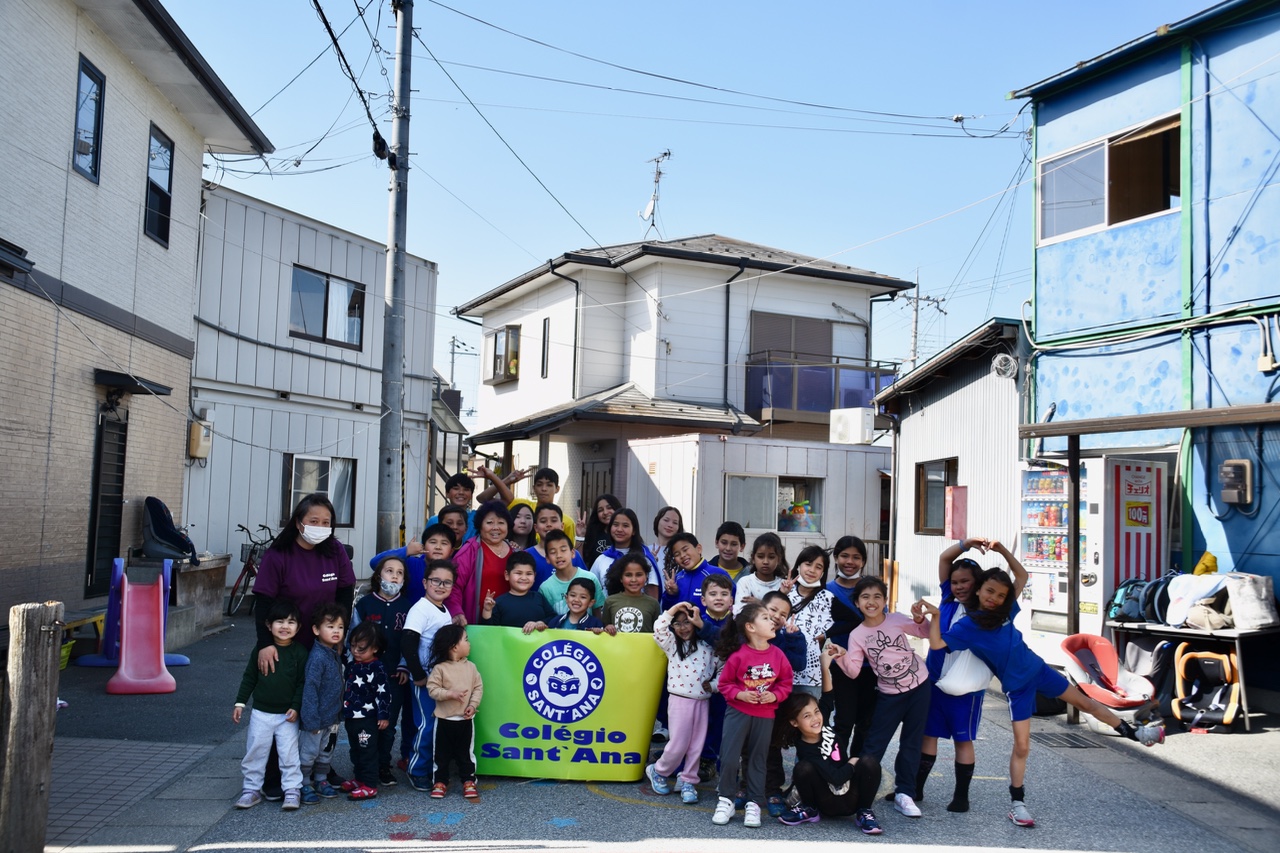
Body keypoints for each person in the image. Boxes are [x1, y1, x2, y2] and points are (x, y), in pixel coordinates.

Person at [919, 567, 1165, 829]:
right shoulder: (968, 625)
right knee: (1022, 746)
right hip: (1017, 689)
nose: (994, 598)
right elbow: (937, 645)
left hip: (1040, 671)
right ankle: (1018, 805)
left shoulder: (1005, 611)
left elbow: (1021, 576)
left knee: (1087, 703)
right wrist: (936, 616)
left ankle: (1136, 734)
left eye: (1001, 595)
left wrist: (1001, 549)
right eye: (989, 591)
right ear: (978, 590)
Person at [251, 493, 355, 800]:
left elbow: (345, 592)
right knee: (285, 710)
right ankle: (275, 774)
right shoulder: (279, 554)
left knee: (325, 707)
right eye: (314, 521)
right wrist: (265, 644)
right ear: (299, 522)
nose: (320, 527)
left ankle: (321, 767)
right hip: (287, 645)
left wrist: (339, 636)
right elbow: (263, 602)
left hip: (324, 646)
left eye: (326, 522)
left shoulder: (334, 550)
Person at [919, 538, 1009, 812]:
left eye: (965, 582)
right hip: (934, 680)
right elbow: (944, 559)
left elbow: (1017, 583)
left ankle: (961, 796)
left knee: (963, 739)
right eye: (955, 582)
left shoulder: (985, 611)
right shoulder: (948, 599)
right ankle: (915, 789)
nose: (958, 586)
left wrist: (1002, 551)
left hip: (966, 689)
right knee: (928, 734)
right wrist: (966, 543)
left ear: (978, 584)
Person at [835, 576, 931, 819]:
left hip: (919, 686)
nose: (872, 601)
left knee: (912, 741)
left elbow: (925, 632)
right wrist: (839, 655)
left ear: (885, 600)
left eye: (877, 596)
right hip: (889, 695)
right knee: (874, 744)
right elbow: (853, 671)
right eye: (865, 597)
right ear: (857, 602)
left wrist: (920, 619)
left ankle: (905, 793)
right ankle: (858, 789)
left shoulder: (896, 619)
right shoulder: (857, 634)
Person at [711, 603, 793, 828]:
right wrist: (740, 694)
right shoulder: (739, 655)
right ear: (750, 627)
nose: (772, 621)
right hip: (738, 712)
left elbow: (786, 682)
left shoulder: (778, 655)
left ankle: (754, 803)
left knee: (758, 759)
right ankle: (726, 800)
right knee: (729, 757)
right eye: (765, 617)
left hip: (765, 714)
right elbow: (725, 684)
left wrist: (774, 696)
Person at [772, 689, 883, 834]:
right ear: (794, 722)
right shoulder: (806, 749)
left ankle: (865, 811)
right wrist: (852, 762)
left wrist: (825, 673)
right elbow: (837, 778)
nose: (815, 718)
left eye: (816, 711)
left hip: (851, 798)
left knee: (870, 761)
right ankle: (810, 809)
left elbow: (828, 695)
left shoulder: (821, 723)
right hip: (827, 801)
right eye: (807, 716)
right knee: (802, 768)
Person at [233, 601, 307, 811]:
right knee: (255, 751)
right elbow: (249, 677)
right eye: (279, 621)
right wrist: (240, 703)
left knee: (289, 753)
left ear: (299, 627)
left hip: (287, 716)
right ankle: (251, 789)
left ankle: (292, 789)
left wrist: (296, 706)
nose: (285, 626)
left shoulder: (300, 652)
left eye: (291, 622)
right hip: (261, 713)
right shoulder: (261, 650)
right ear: (268, 625)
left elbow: (302, 683)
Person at [350, 555, 414, 787]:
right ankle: (362, 766)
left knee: (387, 724)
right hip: (365, 678)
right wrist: (354, 665)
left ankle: (383, 765)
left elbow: (410, 640)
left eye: (399, 573)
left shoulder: (408, 607)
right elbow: (352, 636)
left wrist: (404, 665)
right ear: (378, 576)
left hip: (394, 677)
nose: (394, 576)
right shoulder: (365, 604)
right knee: (364, 723)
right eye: (389, 571)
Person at [646, 602, 719, 804]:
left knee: (696, 746)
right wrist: (673, 608)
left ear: (696, 622)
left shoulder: (708, 646)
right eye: (677, 624)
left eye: (687, 622)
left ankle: (687, 780)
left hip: (702, 702)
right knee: (678, 744)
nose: (683, 628)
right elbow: (659, 628)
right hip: (679, 700)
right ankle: (658, 770)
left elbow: (723, 666)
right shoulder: (671, 644)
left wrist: (714, 685)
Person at [401, 560, 458, 792]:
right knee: (426, 724)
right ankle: (416, 770)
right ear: (425, 582)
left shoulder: (442, 609)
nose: (441, 586)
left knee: (436, 725)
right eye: (436, 581)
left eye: (447, 582)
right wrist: (418, 675)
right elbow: (408, 642)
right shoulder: (421, 609)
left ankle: (431, 768)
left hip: (438, 680)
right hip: (424, 679)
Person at [823, 535, 877, 760]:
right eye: (844, 556)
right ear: (836, 558)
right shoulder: (826, 590)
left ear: (863, 561)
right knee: (843, 721)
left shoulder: (872, 588)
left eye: (856, 557)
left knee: (866, 722)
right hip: (840, 666)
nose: (850, 561)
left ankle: (858, 767)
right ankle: (837, 766)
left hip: (871, 666)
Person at [425, 624, 484, 800]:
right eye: (466, 639)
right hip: (444, 720)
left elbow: (478, 688)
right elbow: (432, 689)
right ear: (454, 647)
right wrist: (449, 694)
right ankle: (440, 781)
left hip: (465, 721)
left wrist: (472, 705)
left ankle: (469, 781)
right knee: (440, 755)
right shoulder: (440, 668)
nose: (469, 643)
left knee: (466, 754)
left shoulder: (471, 667)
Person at [298, 603, 346, 804]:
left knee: (326, 752)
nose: (336, 631)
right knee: (308, 753)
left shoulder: (334, 653)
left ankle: (321, 779)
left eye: (340, 627)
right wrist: (311, 720)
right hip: (316, 720)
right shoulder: (318, 657)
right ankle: (303, 783)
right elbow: (310, 689)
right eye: (330, 626)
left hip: (332, 718)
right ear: (316, 630)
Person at [340, 621, 390, 800]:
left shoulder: (377, 668)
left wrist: (383, 715)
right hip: (351, 717)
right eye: (353, 646)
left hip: (367, 719)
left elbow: (383, 693)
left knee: (367, 751)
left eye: (361, 648)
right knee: (355, 750)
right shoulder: (353, 663)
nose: (355, 651)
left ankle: (370, 785)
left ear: (375, 648)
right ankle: (359, 778)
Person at [693, 573, 735, 778]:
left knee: (722, 724)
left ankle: (722, 765)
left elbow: (728, 645)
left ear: (731, 600)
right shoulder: (695, 620)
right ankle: (701, 759)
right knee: (698, 724)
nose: (719, 598)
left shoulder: (736, 624)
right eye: (713, 594)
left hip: (726, 686)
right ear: (703, 600)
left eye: (724, 594)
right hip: (697, 683)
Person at [448, 501, 516, 625]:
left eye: (501, 523)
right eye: (489, 523)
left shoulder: (515, 552)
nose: (495, 527)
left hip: (509, 624)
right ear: (480, 526)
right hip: (476, 624)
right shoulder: (469, 551)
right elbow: (453, 586)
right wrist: (457, 612)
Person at [368, 522, 457, 608]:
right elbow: (375, 563)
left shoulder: (453, 571)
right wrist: (406, 550)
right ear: (423, 546)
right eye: (433, 542)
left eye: (444, 543)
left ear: (451, 551)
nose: (438, 547)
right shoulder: (411, 564)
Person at [787, 545, 835, 699]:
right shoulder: (785, 590)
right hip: (781, 670)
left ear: (823, 573)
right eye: (808, 564)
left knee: (808, 711)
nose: (812, 570)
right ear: (798, 566)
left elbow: (852, 620)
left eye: (818, 567)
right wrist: (781, 593)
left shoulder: (827, 598)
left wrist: (826, 634)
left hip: (810, 675)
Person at [425, 469, 515, 544]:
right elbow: (426, 546)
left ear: (471, 495)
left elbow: (508, 499)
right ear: (447, 493)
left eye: (466, 489)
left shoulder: (478, 516)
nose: (461, 492)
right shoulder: (434, 521)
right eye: (456, 489)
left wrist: (492, 476)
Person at [481, 551, 556, 632]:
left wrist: (540, 623)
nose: (524, 578)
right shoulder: (499, 603)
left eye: (528, 574)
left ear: (534, 576)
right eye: (518, 573)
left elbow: (554, 618)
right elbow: (489, 631)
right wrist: (487, 611)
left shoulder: (539, 597)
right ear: (507, 575)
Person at [589, 508, 659, 595]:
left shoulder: (644, 557)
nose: (619, 529)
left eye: (625, 526)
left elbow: (652, 594)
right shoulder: (602, 559)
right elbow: (590, 589)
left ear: (634, 531)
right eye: (615, 525)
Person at [540, 530, 605, 615]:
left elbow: (597, 611)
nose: (559, 555)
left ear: (573, 553)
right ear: (547, 558)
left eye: (563, 550)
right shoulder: (546, 588)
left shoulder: (590, 578)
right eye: (553, 552)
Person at [527, 503, 588, 588]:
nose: (549, 524)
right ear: (536, 527)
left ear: (562, 526)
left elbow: (586, 582)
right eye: (543, 521)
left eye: (554, 520)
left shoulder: (573, 554)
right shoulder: (527, 555)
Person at [603, 552, 662, 634]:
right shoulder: (610, 601)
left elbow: (658, 633)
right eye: (628, 575)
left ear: (646, 577)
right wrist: (607, 628)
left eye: (639, 575)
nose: (634, 580)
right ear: (621, 578)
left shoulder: (653, 603)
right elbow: (604, 630)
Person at [734, 533, 792, 607]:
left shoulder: (784, 586)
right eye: (760, 556)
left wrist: (760, 603)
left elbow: (784, 612)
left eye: (771, 557)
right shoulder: (745, 583)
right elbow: (740, 611)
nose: (765, 562)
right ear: (753, 558)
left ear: (779, 559)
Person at [527, 467, 577, 544]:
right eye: (539, 484)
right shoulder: (525, 509)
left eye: (549, 485)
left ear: (557, 489)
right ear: (534, 488)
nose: (544, 489)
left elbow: (569, 549)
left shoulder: (568, 522)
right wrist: (509, 481)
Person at [579, 493, 621, 565]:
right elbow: (580, 562)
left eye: (609, 507)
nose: (605, 512)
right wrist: (580, 536)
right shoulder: (593, 534)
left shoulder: (624, 534)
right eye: (600, 510)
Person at [651, 506, 685, 581]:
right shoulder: (645, 550)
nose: (670, 525)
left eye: (675, 523)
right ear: (657, 521)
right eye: (666, 520)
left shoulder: (682, 553)